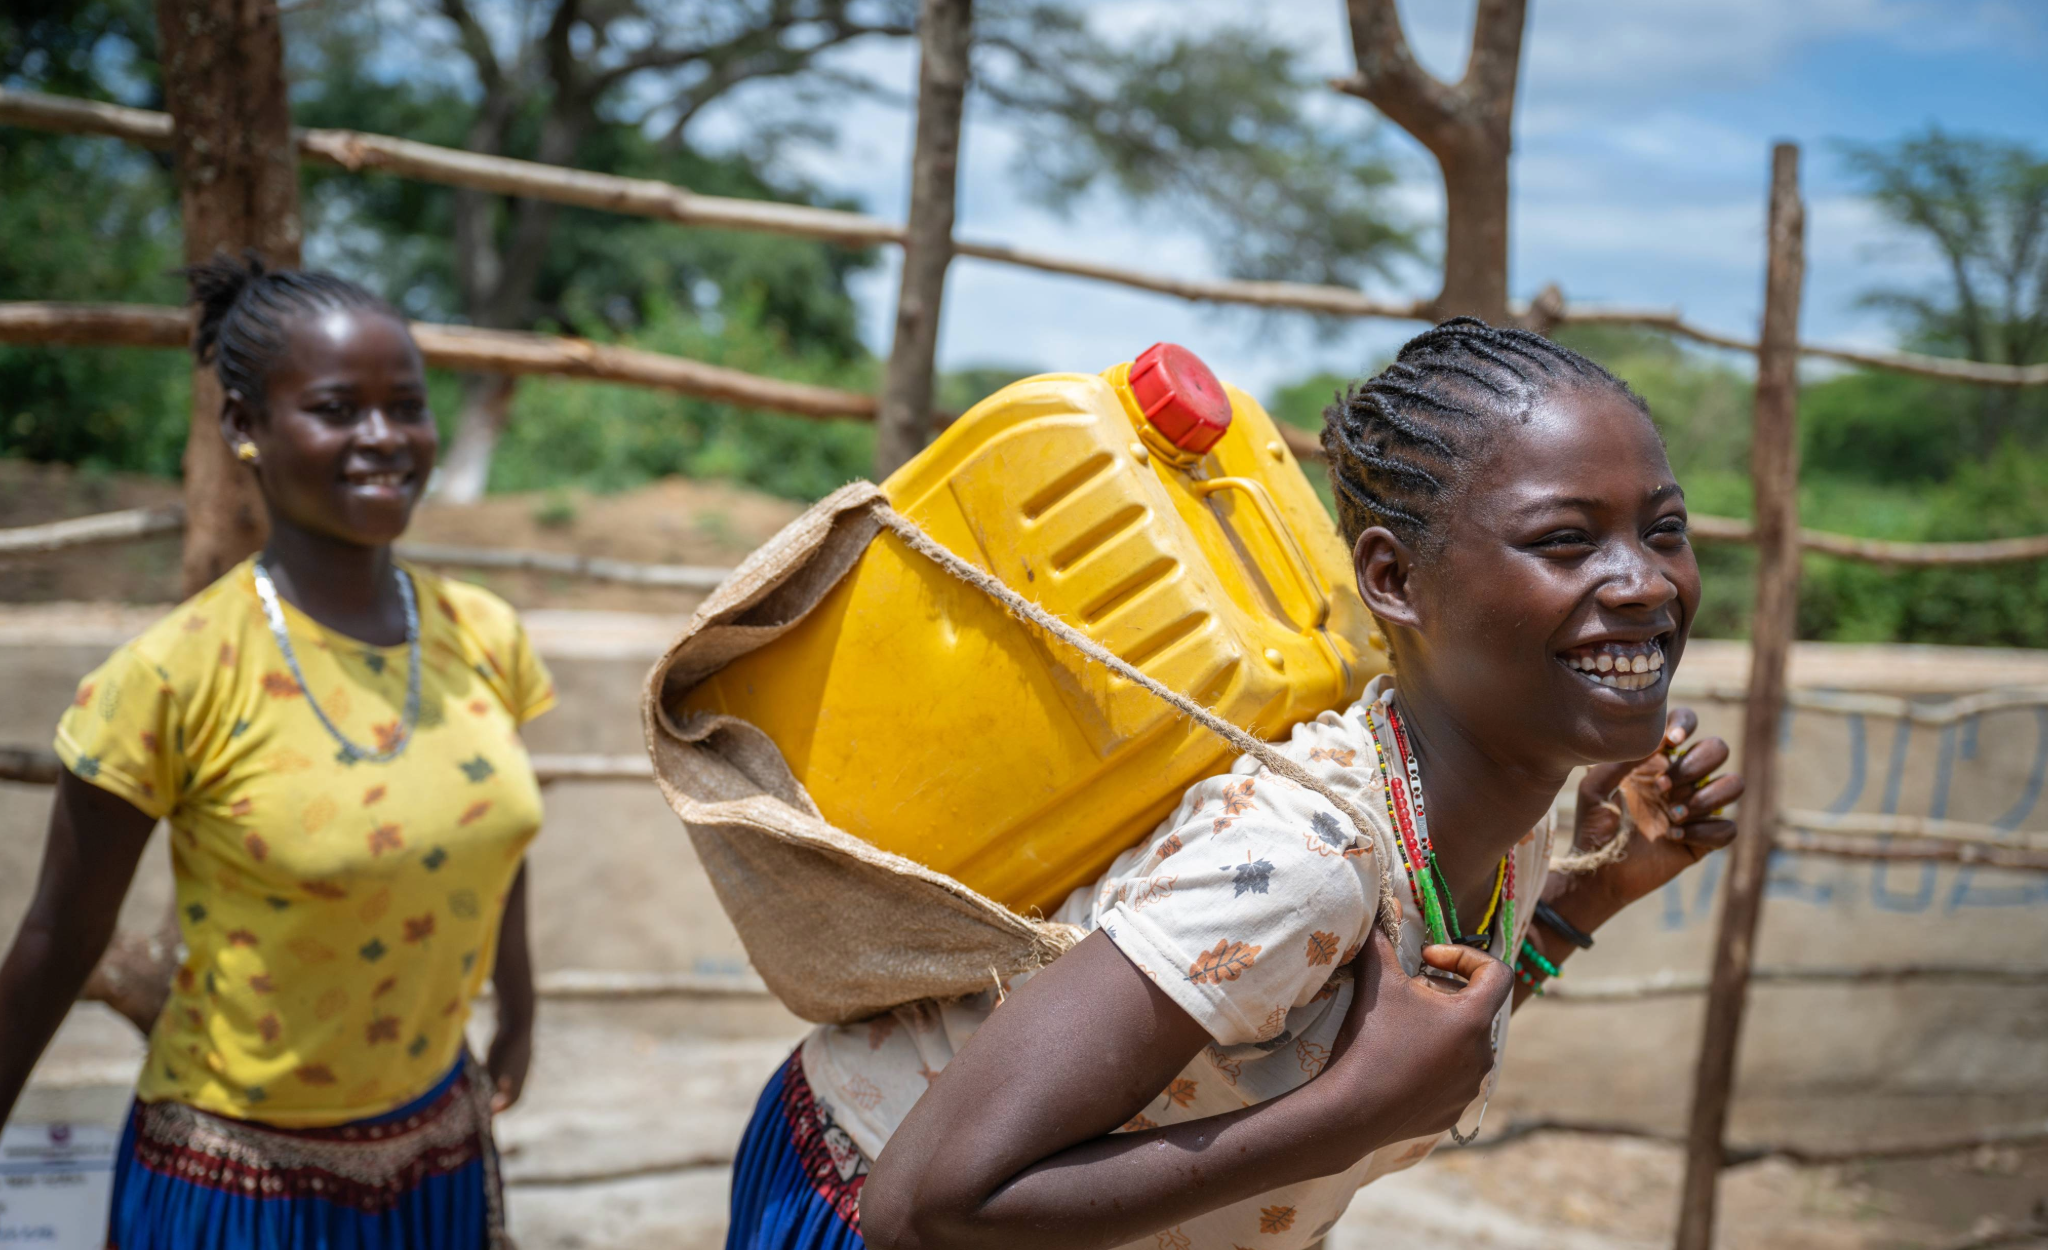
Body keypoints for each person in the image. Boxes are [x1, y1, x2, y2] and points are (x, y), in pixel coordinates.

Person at [723, 318, 1749, 1250]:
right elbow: (926, 1205)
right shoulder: (1301, 859)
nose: (1646, 581)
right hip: (861, 1198)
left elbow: (1407, 1035)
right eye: (1565, 540)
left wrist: (1593, 891)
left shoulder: (1499, 805)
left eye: (1663, 529)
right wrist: (1350, 1114)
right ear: (1392, 579)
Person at [0, 255, 555, 1249]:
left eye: (407, 407)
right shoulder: (173, 677)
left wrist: (517, 1005)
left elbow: (488, 838)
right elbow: (56, 937)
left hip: (438, 1154)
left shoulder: (483, 635)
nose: (382, 437)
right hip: (234, 1184)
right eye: (337, 409)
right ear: (242, 424)